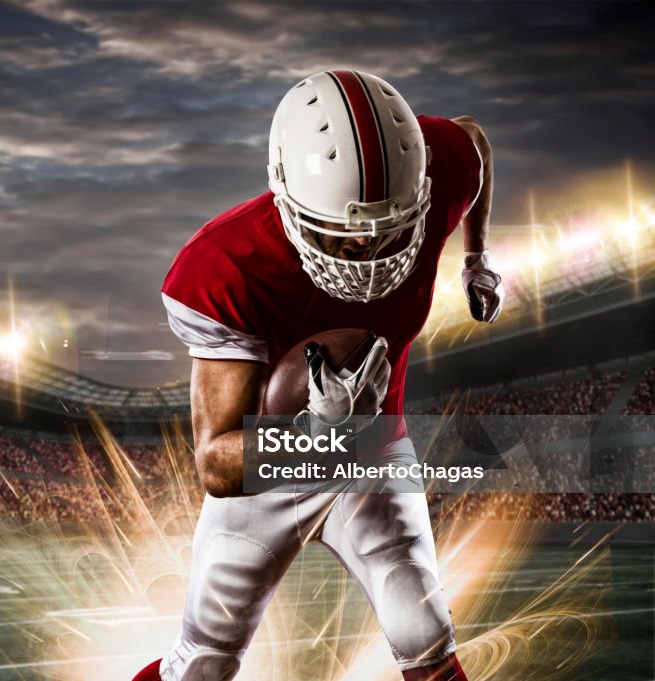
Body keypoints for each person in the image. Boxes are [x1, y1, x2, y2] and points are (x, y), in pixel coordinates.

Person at [132, 70, 504, 681]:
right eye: (348, 232)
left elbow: (474, 141)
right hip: (272, 473)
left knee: (425, 634)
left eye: (388, 228)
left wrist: (477, 256)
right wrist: (313, 437)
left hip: (371, 448)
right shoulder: (225, 267)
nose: (370, 249)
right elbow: (218, 465)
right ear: (284, 192)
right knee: (204, 663)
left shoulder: (444, 171)